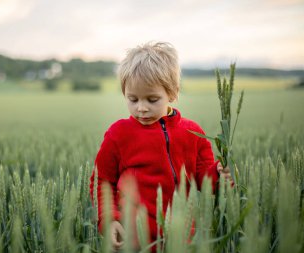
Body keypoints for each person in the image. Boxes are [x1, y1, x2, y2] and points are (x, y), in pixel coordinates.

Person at [89, 41, 232, 251]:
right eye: (133, 99)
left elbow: (203, 179)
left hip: (182, 239)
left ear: (172, 93)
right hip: (134, 240)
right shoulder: (118, 134)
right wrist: (110, 220)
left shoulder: (193, 133)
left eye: (152, 99)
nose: (142, 108)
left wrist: (219, 174)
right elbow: (102, 182)